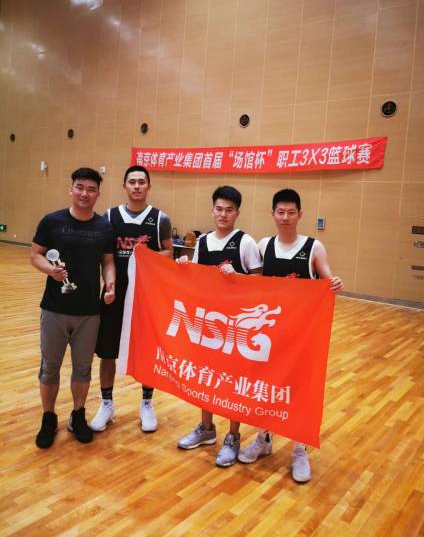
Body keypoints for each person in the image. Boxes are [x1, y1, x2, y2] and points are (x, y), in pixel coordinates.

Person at [237, 188, 343, 483]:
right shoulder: (264, 245)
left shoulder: (313, 247)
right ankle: (263, 438)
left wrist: (335, 283)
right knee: (265, 386)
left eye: (291, 212)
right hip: (270, 335)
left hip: (302, 337)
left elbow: (328, 282)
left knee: (299, 391)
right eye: (280, 212)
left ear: (299, 214)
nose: (285, 217)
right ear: (273, 214)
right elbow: (253, 284)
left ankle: (299, 449)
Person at [176, 185, 262, 467]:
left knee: (233, 380)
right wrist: (185, 265)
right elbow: (196, 279)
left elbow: (260, 283)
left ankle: (233, 436)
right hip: (208, 323)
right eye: (219, 209)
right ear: (212, 210)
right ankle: (206, 428)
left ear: (237, 213)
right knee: (207, 376)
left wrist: (238, 276)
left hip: (236, 325)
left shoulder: (246, 242)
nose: (223, 214)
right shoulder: (203, 242)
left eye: (229, 210)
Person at [31, 168, 115, 448]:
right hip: (54, 309)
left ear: (98, 194)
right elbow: (36, 254)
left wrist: (110, 283)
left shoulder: (103, 227)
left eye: (91, 189)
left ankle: (78, 414)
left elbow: (108, 261)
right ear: (71, 189)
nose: (84, 193)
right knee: (50, 368)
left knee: (83, 368)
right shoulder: (52, 221)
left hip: (89, 312)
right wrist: (50, 270)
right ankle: (48, 417)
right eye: (80, 187)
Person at [90, 165, 173, 433]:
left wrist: (144, 255)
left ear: (148, 186)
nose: (137, 186)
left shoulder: (160, 219)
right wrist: (109, 282)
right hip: (114, 293)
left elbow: (169, 253)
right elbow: (105, 256)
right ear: (124, 186)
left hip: (146, 297)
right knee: (107, 352)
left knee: (147, 351)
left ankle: (147, 404)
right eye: (132, 182)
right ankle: (106, 404)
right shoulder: (109, 216)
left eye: (141, 182)